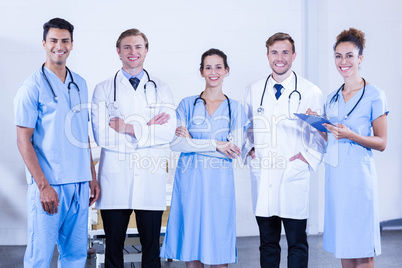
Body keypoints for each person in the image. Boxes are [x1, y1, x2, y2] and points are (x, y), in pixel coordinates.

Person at [14, 18, 100, 267]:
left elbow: (82, 135)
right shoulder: (31, 87)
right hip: (49, 185)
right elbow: (23, 140)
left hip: (80, 183)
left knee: (75, 256)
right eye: (53, 40)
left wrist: (91, 176)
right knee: (39, 256)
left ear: (72, 44)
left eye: (65, 40)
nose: (59, 46)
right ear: (44, 43)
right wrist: (43, 186)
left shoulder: (80, 84)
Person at [91, 28, 176, 268]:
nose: (133, 52)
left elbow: (168, 133)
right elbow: (102, 136)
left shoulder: (161, 88)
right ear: (118, 51)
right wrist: (148, 129)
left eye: (138, 47)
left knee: (151, 251)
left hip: (150, 178)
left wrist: (128, 128)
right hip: (115, 181)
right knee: (113, 251)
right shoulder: (103, 89)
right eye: (127, 47)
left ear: (146, 51)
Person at [160, 48, 249, 268]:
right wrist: (216, 144)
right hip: (190, 186)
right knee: (193, 254)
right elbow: (177, 143)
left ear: (226, 71)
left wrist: (193, 142)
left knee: (219, 253)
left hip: (219, 189)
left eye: (218, 67)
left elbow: (235, 149)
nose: (213, 72)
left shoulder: (235, 108)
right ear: (201, 71)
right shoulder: (186, 104)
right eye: (208, 67)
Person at [243, 32, 326, 268]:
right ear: (267, 55)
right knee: (267, 243)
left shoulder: (311, 91)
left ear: (294, 55)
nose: (280, 58)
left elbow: (322, 136)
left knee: (297, 242)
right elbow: (247, 127)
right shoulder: (254, 89)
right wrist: (250, 149)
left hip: (294, 174)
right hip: (264, 173)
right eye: (274, 52)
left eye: (285, 52)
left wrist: (306, 158)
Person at [322, 28, 388, 268]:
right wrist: (316, 123)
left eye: (349, 55)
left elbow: (381, 142)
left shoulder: (374, 95)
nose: (343, 61)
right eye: (338, 56)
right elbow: (328, 137)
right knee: (345, 246)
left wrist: (352, 135)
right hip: (337, 179)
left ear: (360, 58)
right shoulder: (331, 98)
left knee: (362, 247)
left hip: (359, 181)